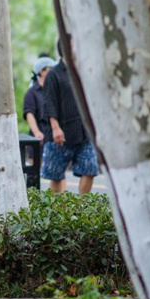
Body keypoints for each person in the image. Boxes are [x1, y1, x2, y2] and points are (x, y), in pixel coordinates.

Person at [41, 42, 97, 194]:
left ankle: (81, 209)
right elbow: (49, 103)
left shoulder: (82, 72)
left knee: (90, 169)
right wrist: (55, 128)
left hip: (83, 132)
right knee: (56, 175)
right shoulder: (54, 74)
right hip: (60, 133)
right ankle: (59, 212)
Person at [23, 57, 57, 142]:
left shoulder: (54, 89)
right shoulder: (32, 93)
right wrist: (37, 133)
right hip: (40, 139)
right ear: (42, 71)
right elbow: (29, 114)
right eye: (51, 69)